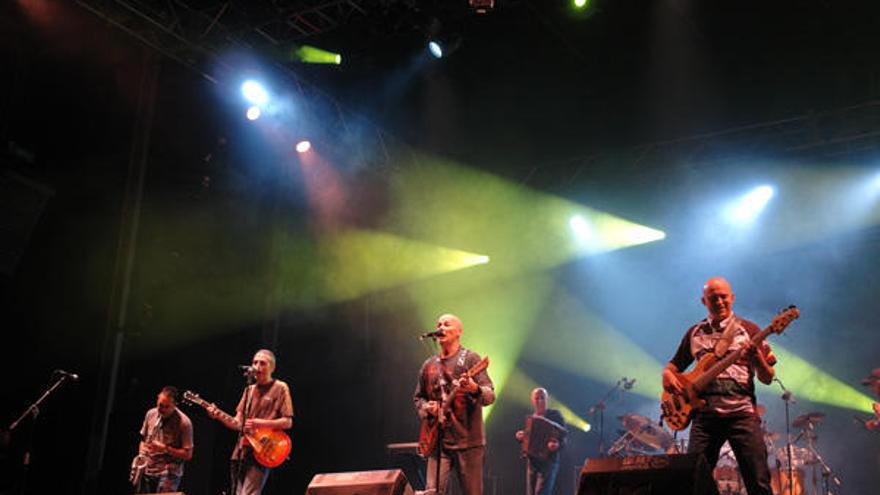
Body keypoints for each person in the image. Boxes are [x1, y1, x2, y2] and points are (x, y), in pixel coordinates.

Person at [662, 277, 776, 495]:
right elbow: (673, 365)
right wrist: (666, 374)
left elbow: (768, 377)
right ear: (704, 301)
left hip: (742, 415)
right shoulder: (695, 333)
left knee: (759, 483)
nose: (720, 302)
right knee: (693, 482)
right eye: (713, 298)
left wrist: (757, 359)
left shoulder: (749, 330)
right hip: (704, 417)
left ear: (732, 297)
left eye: (724, 297)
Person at [413, 314, 495, 495]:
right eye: (438, 324)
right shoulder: (429, 365)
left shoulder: (470, 359)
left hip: (468, 442)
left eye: (446, 324)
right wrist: (428, 408)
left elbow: (489, 396)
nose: (441, 327)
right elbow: (418, 398)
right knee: (432, 492)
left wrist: (474, 388)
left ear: (459, 332)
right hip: (438, 442)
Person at [208, 349, 294, 495]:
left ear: (272, 368)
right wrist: (218, 416)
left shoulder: (280, 387)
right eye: (254, 362)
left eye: (262, 363)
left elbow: (287, 422)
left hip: (262, 449)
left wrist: (260, 423)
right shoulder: (249, 390)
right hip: (241, 451)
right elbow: (237, 423)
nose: (257, 366)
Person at [134, 386, 194, 493]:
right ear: (157, 399)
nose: (162, 410)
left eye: (167, 407)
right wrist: (141, 454)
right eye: (160, 405)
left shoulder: (184, 423)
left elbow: (188, 454)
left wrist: (165, 448)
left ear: (175, 405)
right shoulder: (151, 414)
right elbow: (143, 440)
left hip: (169, 472)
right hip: (149, 468)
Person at [515, 388, 566, 495]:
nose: (540, 401)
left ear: (547, 399)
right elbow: (526, 440)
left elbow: (564, 437)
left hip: (549, 460)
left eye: (542, 398)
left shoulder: (555, 415)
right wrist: (521, 437)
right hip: (532, 461)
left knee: (541, 493)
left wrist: (557, 444)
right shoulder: (530, 419)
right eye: (537, 398)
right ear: (532, 400)